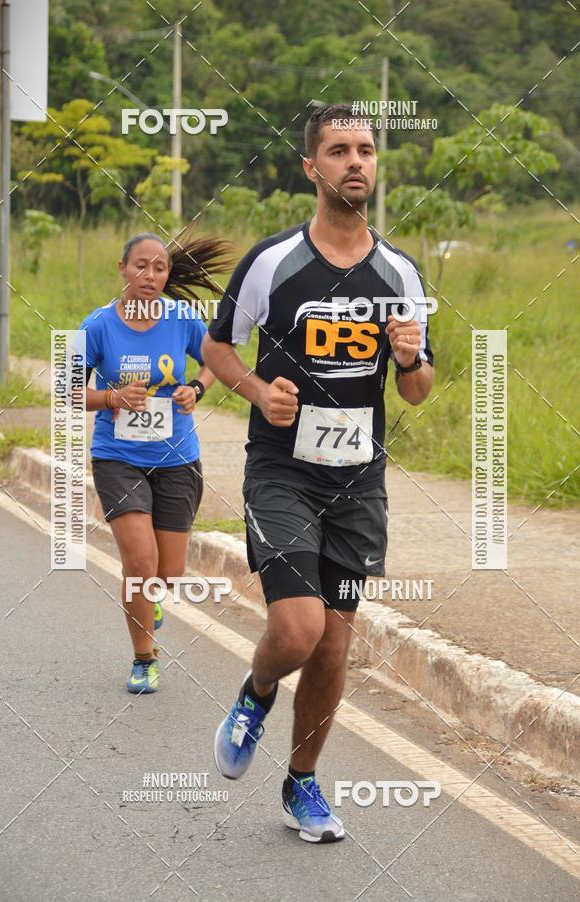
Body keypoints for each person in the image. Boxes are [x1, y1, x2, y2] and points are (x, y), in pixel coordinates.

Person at [202, 103, 434, 843]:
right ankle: (258, 688)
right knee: (298, 630)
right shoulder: (274, 262)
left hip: (358, 479)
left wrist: (407, 357)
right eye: (338, 150)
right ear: (312, 168)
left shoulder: (399, 270)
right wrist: (257, 391)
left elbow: (419, 388)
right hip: (283, 471)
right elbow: (218, 350)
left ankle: (302, 783)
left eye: (366, 149)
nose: (355, 162)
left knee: (336, 642)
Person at [80, 231, 232, 694]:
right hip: (117, 456)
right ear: (122, 268)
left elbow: (217, 361)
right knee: (140, 563)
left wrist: (198, 388)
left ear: (168, 275)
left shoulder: (184, 319)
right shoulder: (98, 326)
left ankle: (152, 601)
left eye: (159, 268)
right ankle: (144, 657)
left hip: (177, 457)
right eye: (141, 266)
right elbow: (66, 391)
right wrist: (110, 397)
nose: (150, 275)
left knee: (168, 575)